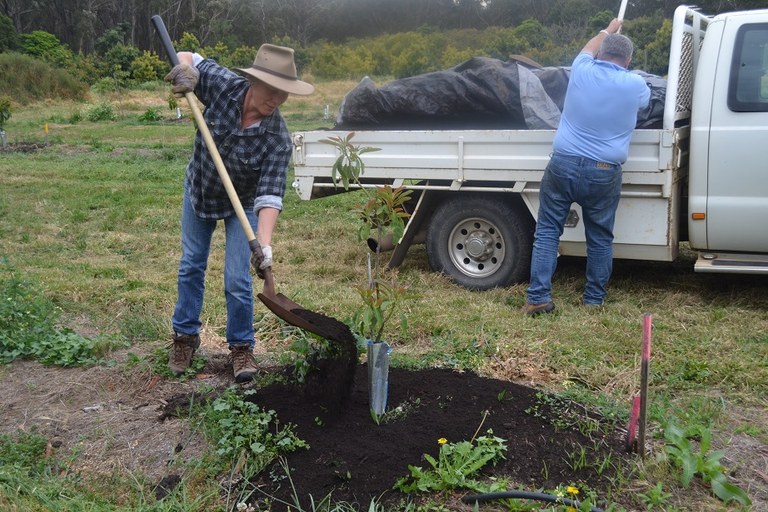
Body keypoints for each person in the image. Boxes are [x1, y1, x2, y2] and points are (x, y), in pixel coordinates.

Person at [164, 44, 314, 380]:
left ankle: (242, 348)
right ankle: (185, 338)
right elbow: (187, 55)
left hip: (241, 203)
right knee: (191, 265)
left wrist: (264, 244)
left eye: (284, 95)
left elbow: (271, 193)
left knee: (237, 279)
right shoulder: (224, 85)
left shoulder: (277, 136)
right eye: (272, 91)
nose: (276, 100)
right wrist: (185, 70)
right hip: (200, 191)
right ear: (253, 81)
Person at [524, 19, 650, 316]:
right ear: (628, 60)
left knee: (547, 233)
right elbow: (644, 105)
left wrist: (608, 29)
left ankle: (539, 297)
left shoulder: (581, 70)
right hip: (605, 170)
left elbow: (587, 49)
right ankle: (593, 300)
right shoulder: (635, 84)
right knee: (600, 237)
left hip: (563, 164)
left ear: (601, 52)